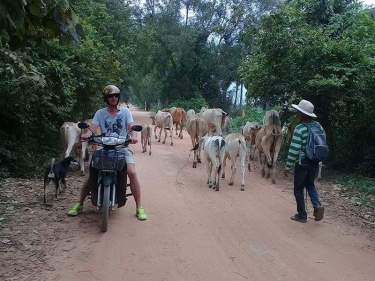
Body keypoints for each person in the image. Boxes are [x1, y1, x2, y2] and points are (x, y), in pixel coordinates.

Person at [68, 85, 147, 220]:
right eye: (110, 96)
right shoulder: (100, 113)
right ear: (106, 98)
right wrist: (87, 134)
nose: (113, 98)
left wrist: (133, 136)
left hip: (122, 147)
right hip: (103, 147)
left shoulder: (125, 112)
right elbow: (92, 128)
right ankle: (79, 203)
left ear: (118, 97)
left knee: (132, 173)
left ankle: (139, 206)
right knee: (92, 172)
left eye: (116, 96)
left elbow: (131, 126)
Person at [284, 99, 324, 223]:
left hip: (302, 163)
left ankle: (302, 215)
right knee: (310, 184)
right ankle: (317, 205)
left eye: (299, 112)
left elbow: (294, 149)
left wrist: (288, 165)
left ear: (304, 114)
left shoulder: (300, 128)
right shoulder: (319, 126)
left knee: (298, 188)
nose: (297, 114)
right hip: (315, 162)